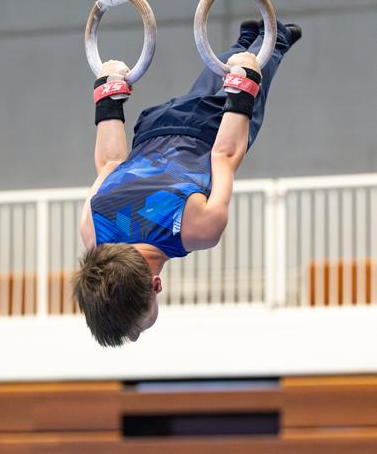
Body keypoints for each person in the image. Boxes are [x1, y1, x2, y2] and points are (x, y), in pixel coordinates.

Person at [74, 20, 301, 347]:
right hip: (153, 125)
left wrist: (245, 89)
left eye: (139, 326)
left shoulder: (196, 230)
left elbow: (224, 154)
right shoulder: (92, 231)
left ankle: (274, 39)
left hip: (210, 129)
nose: (135, 337)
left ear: (156, 286)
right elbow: (109, 163)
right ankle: (247, 38)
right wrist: (107, 97)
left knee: (251, 72)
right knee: (208, 82)